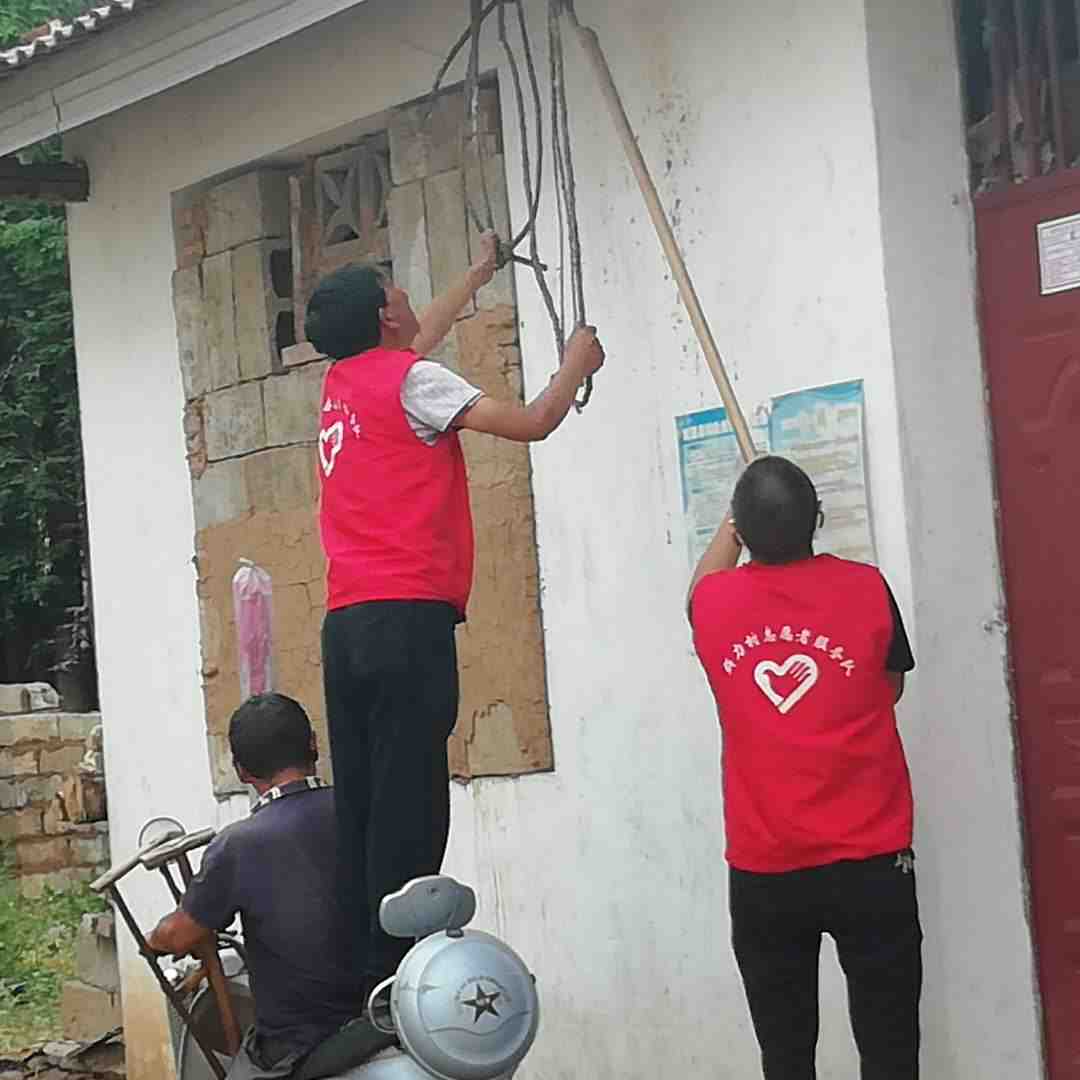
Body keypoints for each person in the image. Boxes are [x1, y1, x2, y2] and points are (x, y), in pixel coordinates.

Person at [304, 234, 605, 994]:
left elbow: (417, 348)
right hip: (407, 617)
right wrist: (576, 364)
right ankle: (397, 971)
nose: (406, 295)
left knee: (364, 795)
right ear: (384, 316)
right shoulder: (412, 381)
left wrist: (476, 274)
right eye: (395, 290)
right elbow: (532, 422)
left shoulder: (346, 380)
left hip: (348, 623)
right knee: (411, 794)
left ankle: (357, 964)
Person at [688, 456, 921, 1080]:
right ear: (817, 519)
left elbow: (698, 588)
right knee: (892, 1051)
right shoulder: (867, 588)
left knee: (787, 1056)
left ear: (742, 530)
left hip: (767, 870)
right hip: (872, 862)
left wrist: (732, 527)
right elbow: (890, 687)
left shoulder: (715, 603)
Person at [148, 694, 363, 1080]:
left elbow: (179, 935)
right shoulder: (362, 811)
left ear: (242, 771)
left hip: (297, 1044)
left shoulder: (238, 845)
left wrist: (155, 939)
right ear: (314, 744)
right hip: (383, 1013)